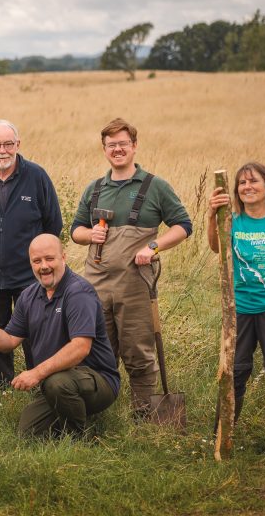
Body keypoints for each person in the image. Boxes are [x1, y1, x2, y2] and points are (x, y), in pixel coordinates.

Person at [70, 118, 191, 417]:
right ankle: (100, 414)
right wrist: (90, 234)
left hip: (136, 285)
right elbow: (75, 231)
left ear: (134, 146)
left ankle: (145, 417)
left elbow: (183, 226)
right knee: (98, 351)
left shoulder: (155, 186)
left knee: (138, 352)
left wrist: (152, 247)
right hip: (96, 286)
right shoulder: (95, 189)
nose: (117, 149)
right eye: (111, 145)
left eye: (123, 144)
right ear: (104, 150)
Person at [0, 234, 120, 437]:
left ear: (64, 257)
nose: (43, 266)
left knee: (58, 384)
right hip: (55, 380)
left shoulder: (79, 293)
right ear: (31, 264)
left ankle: (79, 437)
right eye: (37, 261)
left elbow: (81, 347)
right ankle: (74, 413)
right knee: (27, 432)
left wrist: (36, 374)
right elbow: (7, 342)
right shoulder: (28, 296)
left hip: (98, 380)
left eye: (49, 259)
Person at [208, 162, 265, 459]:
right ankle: (221, 438)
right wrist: (212, 215)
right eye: (242, 183)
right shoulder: (232, 221)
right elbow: (216, 248)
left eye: (254, 181)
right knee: (234, 372)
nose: (247, 187)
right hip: (240, 309)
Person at [0, 119, 62, 388]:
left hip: (30, 276)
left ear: (18, 144)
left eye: (8, 144)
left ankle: (40, 384)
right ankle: (1, 390)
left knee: (36, 332)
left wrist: (38, 260)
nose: (2, 150)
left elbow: (53, 225)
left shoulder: (37, 176)